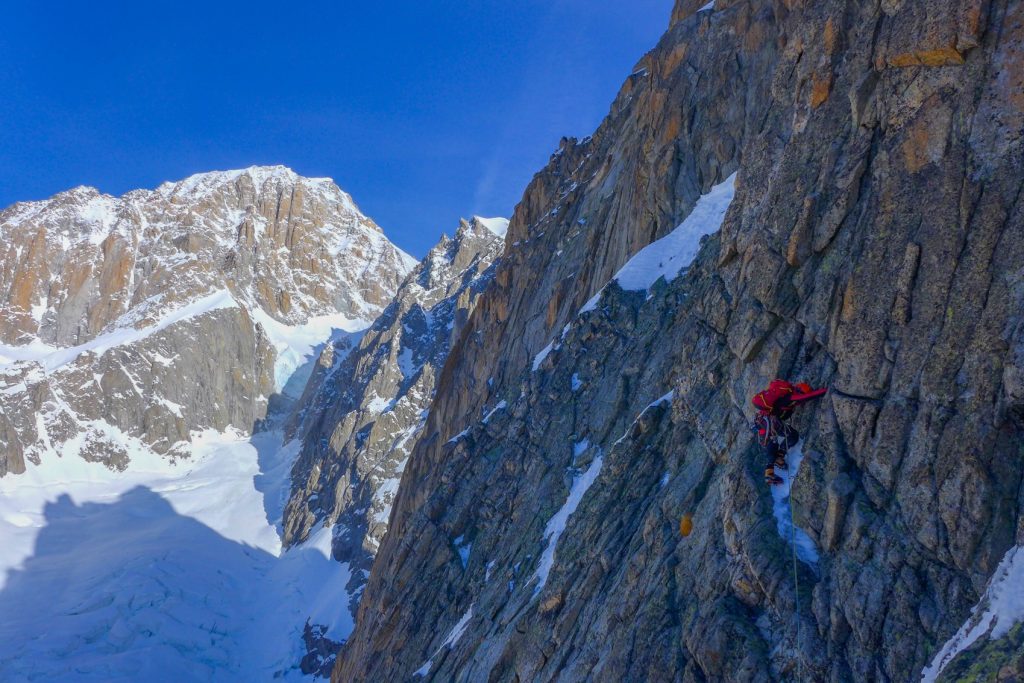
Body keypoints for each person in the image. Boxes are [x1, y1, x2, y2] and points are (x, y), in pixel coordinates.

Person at [752, 380, 826, 485]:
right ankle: (770, 474)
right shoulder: (789, 397)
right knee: (782, 439)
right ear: (799, 391)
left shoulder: (785, 396)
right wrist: (826, 391)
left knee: (786, 438)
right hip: (770, 422)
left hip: (764, 421)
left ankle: (777, 460)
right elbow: (807, 397)